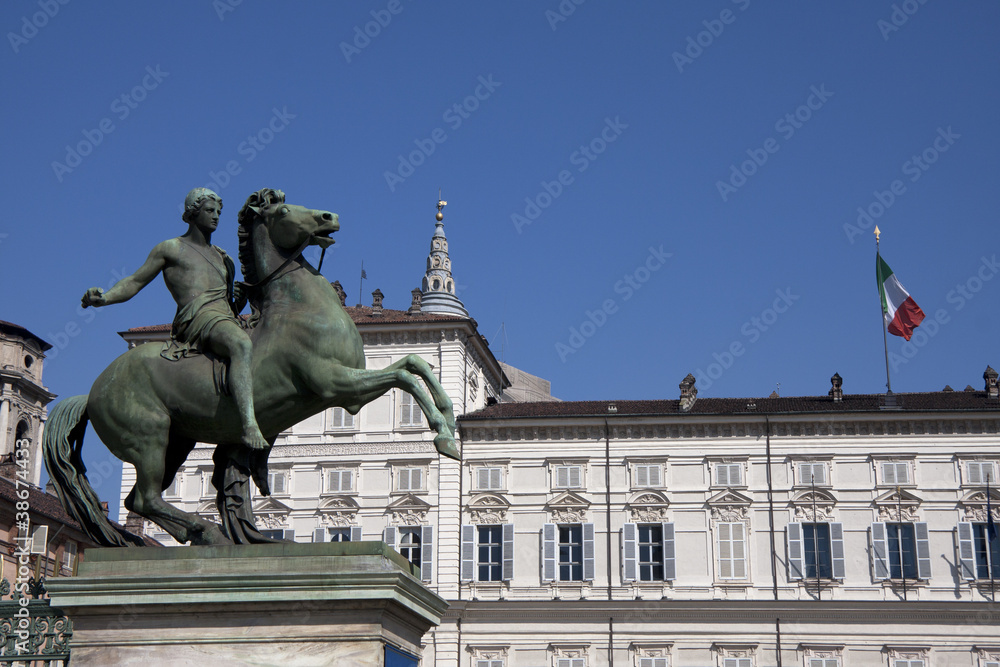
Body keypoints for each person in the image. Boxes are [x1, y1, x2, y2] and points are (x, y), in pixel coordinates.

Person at [81, 188, 268, 450]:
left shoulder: (223, 257)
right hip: (197, 318)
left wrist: (239, 299)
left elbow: (230, 305)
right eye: (209, 210)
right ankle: (248, 426)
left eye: (218, 212)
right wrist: (105, 297)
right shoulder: (171, 248)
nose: (216, 216)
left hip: (225, 318)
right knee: (241, 344)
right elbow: (135, 281)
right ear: (192, 213)